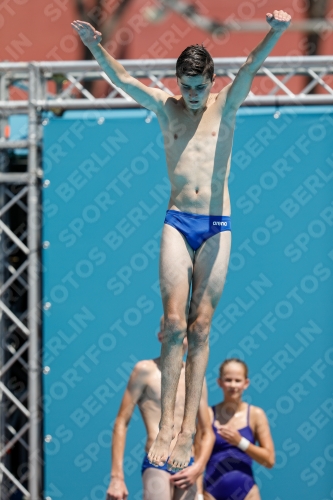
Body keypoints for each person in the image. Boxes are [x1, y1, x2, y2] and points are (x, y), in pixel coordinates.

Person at [72, 10, 291, 472]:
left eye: (199, 87)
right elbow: (124, 80)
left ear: (212, 81)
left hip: (216, 225)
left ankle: (190, 425)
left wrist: (275, 32)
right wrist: (95, 47)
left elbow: (251, 63)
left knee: (201, 327)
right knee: (172, 325)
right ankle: (168, 424)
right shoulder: (166, 107)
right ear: (178, 83)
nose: (192, 96)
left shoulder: (225, 104)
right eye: (185, 87)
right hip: (178, 221)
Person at [107, 318, 215, 500]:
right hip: (158, 462)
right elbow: (121, 423)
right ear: (161, 336)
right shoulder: (145, 370)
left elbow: (207, 432)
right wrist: (116, 477)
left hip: (187, 465)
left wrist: (198, 467)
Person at [203, 358, 275, 500]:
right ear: (219, 382)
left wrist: (240, 442)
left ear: (246, 383)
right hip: (211, 493)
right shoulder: (208, 414)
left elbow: (269, 460)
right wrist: (198, 494)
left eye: (237, 380)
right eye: (228, 380)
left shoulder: (256, 415)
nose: (233, 385)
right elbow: (197, 455)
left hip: (248, 493)